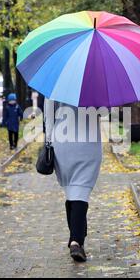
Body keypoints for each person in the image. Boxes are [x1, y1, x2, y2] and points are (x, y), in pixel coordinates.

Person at [44, 98, 102, 262]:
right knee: (80, 191)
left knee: (72, 191)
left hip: (62, 142)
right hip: (88, 143)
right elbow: (103, 112)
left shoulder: (55, 79)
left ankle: (76, 236)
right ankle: (76, 240)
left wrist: (48, 141)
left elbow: (49, 114)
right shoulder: (96, 80)